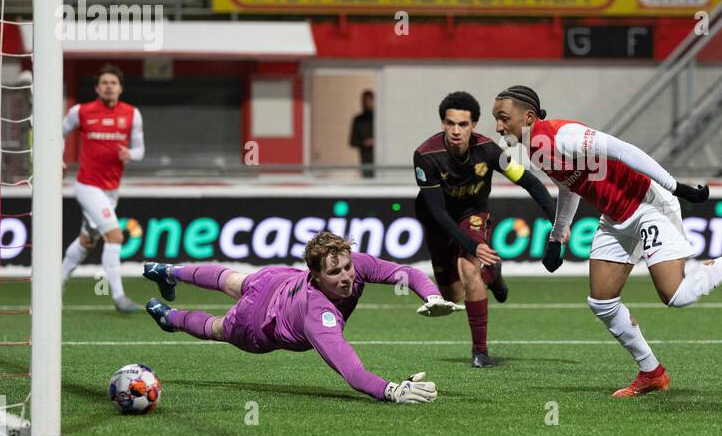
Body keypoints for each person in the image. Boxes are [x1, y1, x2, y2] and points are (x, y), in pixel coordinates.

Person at [492, 84, 722, 397]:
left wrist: (675, 186)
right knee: (601, 301)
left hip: (648, 205)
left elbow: (623, 150)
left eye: (503, 118)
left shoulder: (563, 135)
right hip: (615, 219)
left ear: (529, 116)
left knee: (678, 296)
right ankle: (651, 372)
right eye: (496, 119)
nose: (498, 126)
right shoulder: (536, 149)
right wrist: (557, 236)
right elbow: (570, 186)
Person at [143, 232, 457, 403]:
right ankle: (169, 317)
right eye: (335, 272)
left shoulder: (355, 264)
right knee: (217, 327)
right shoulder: (318, 314)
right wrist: (391, 390)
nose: (346, 277)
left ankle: (167, 272)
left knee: (232, 279)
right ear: (317, 276)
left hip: (277, 280)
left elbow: (406, 271)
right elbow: (352, 371)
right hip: (257, 323)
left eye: (346, 267)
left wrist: (431, 295)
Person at [414, 91, 556, 368]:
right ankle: (491, 274)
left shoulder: (489, 150)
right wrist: (471, 246)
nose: (456, 130)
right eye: (450, 123)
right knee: (452, 296)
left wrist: (557, 222)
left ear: (474, 125)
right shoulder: (425, 156)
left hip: (473, 215)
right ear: (443, 124)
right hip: (437, 222)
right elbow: (439, 212)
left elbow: (530, 182)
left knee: (469, 270)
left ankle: (480, 351)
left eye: (463, 124)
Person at [60, 65, 144, 313]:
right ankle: (119, 297)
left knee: (87, 242)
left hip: (111, 191)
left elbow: (141, 150)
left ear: (120, 87)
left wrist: (131, 153)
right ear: (97, 88)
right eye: (104, 82)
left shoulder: (132, 114)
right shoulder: (81, 111)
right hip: (87, 186)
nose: (109, 86)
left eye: (113, 83)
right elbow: (57, 133)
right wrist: (57, 158)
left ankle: (57, 283)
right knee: (116, 236)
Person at [349, 90, 375, 179]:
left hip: (381, 158)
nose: (368, 103)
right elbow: (352, 141)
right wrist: (365, 142)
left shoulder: (379, 118)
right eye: (366, 101)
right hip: (366, 159)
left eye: (370, 101)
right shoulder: (359, 120)